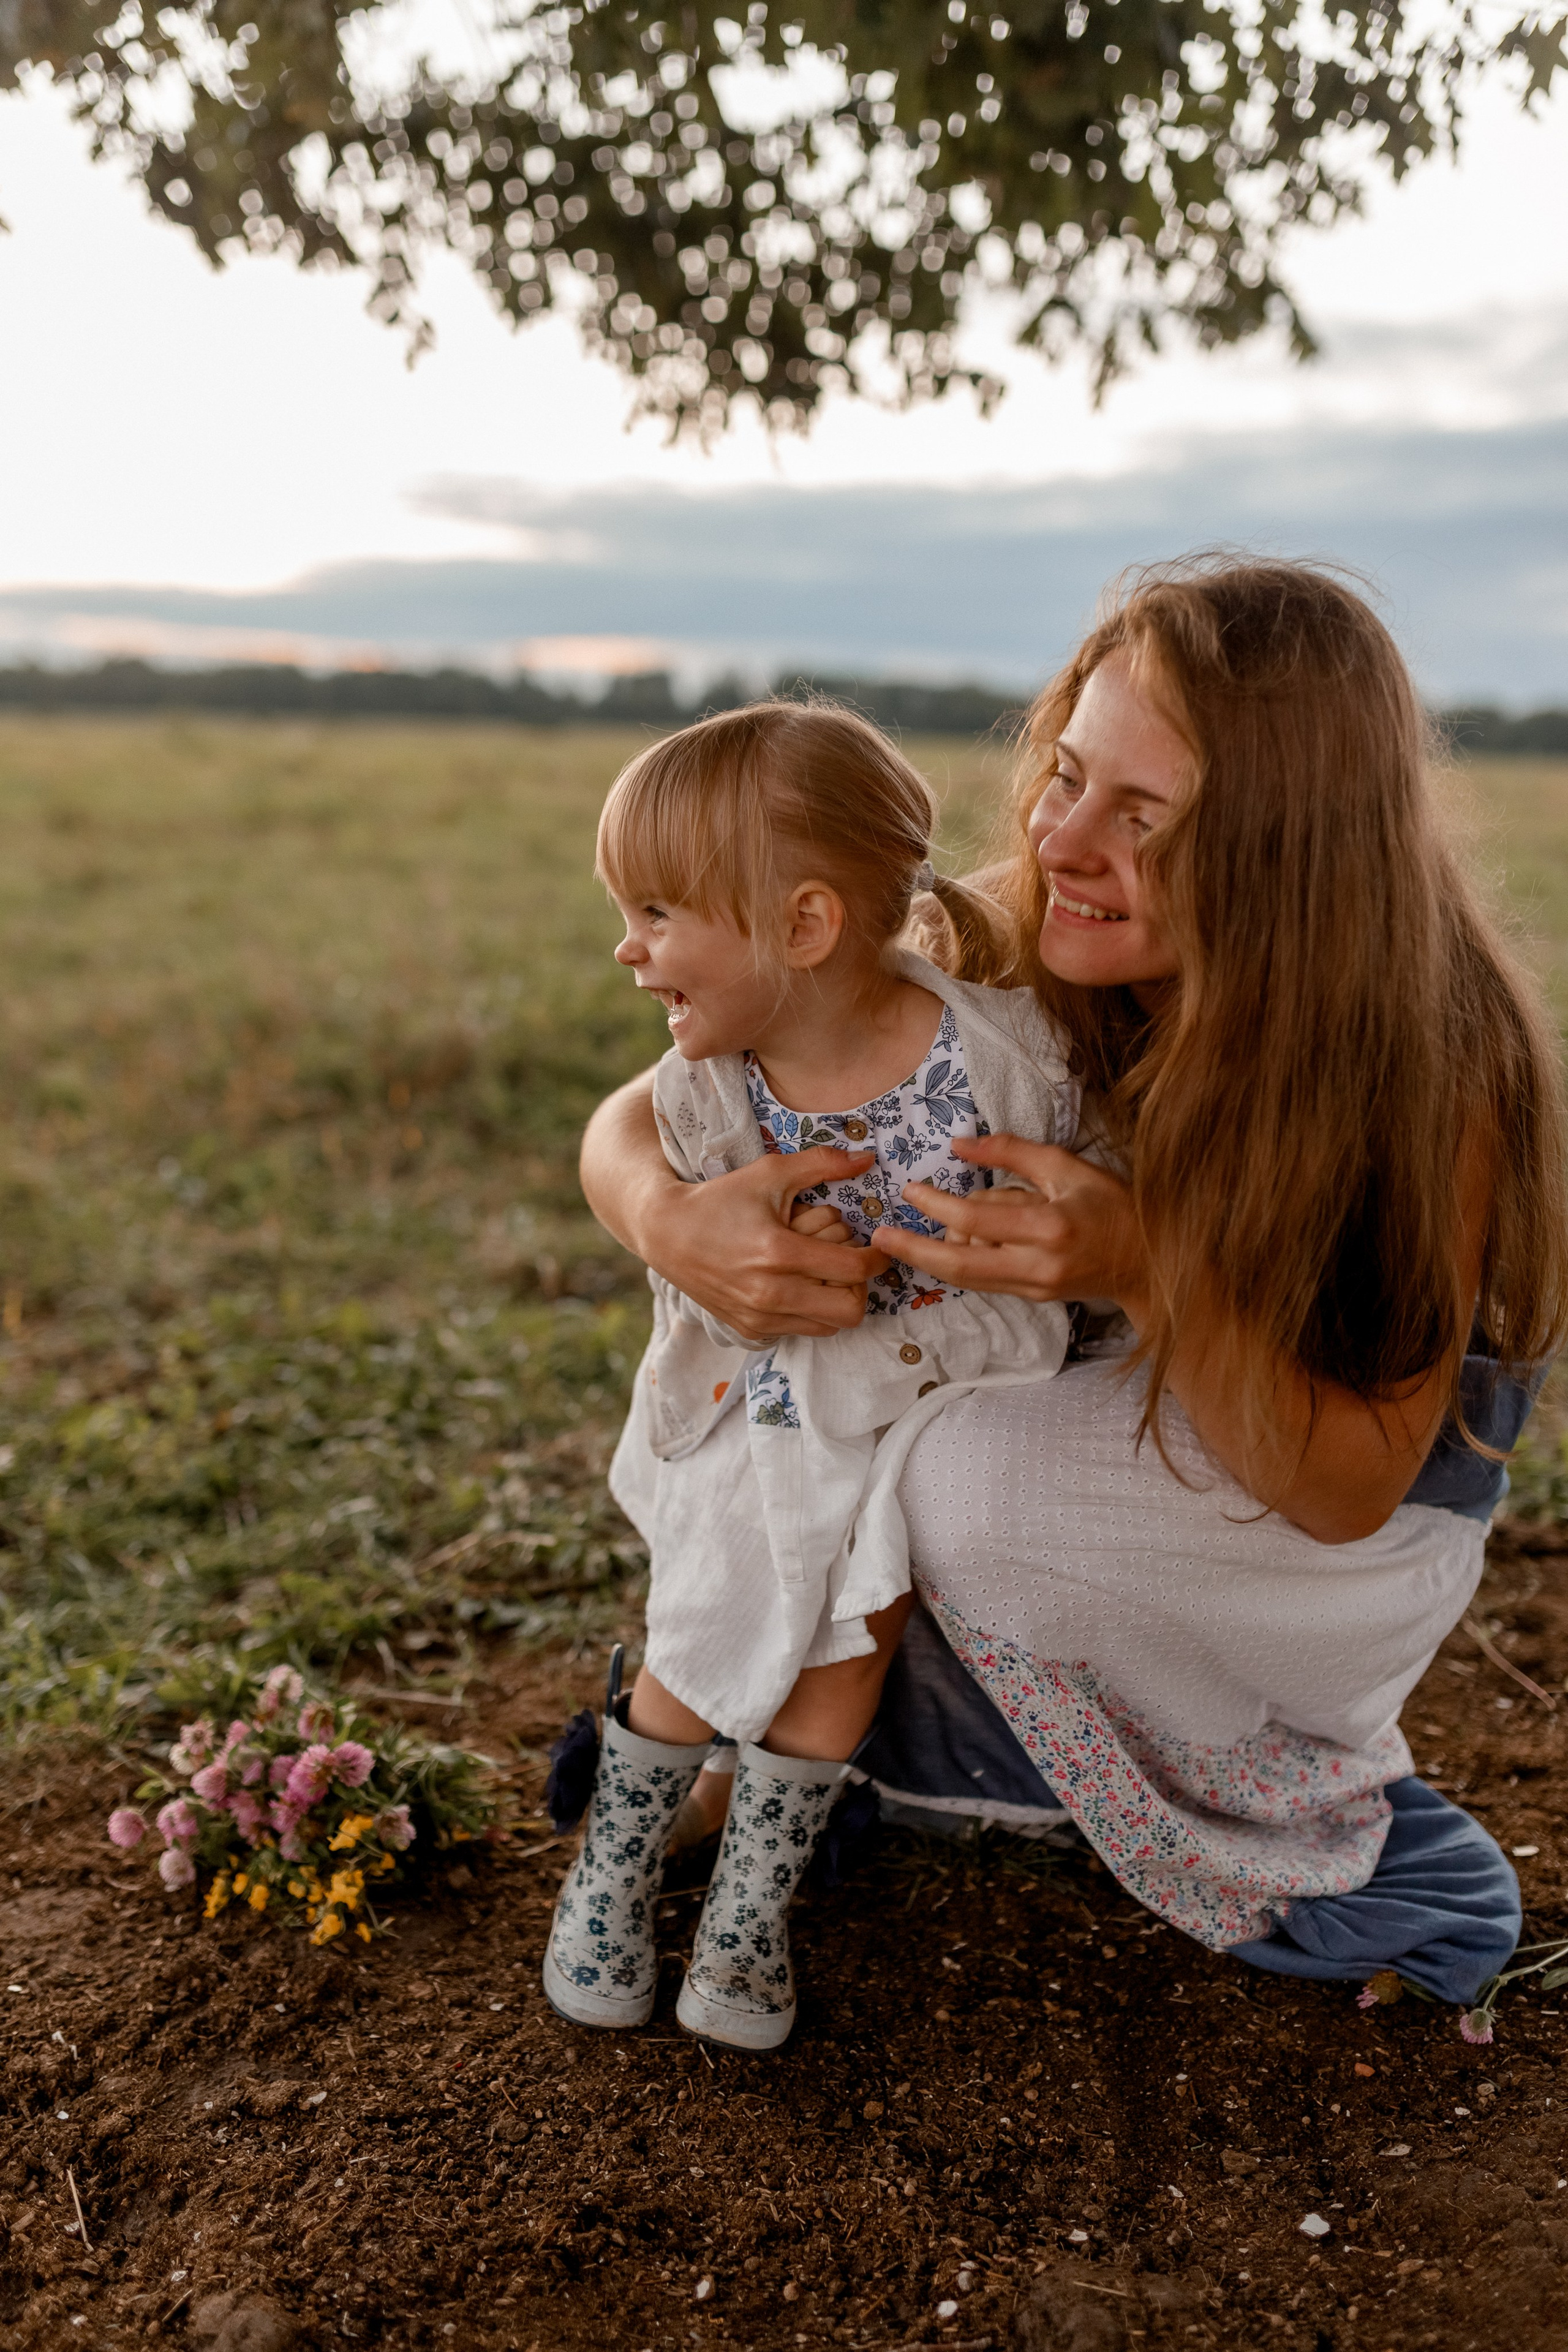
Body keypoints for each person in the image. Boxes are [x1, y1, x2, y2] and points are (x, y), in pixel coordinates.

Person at [578, 559, 1568, 2013]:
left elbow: (1352, 1481)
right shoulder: (1034, 929)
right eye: (1064, 773)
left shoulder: (1433, 1065)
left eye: (1143, 816)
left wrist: (1143, 1263)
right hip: (1118, 1425)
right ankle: (893, 1736)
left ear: (1287, 853)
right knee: (849, 1419)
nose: (1060, 836)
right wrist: (662, 1215)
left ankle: (1235, 1786)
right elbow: (654, 1099)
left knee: (948, 1463)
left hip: (1325, 1524)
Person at [544, 702, 1078, 2048]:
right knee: (711, 1601)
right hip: (770, 1401)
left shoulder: (1007, 1055)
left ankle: (746, 1914)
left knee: (850, 1637)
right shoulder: (701, 1088)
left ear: (801, 928)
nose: (629, 946)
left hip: (929, 1398)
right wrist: (780, 1245)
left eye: (657, 911)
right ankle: (610, 1869)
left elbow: (1077, 1204)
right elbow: (705, 1269)